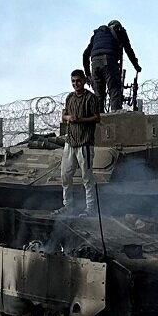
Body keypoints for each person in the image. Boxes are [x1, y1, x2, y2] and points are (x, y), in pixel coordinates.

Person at [58, 69, 102, 216]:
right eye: (73, 81)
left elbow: (96, 118)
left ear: (84, 81)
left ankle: (90, 208)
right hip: (70, 141)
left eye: (78, 81)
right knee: (65, 175)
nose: (75, 84)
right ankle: (67, 206)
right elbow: (64, 115)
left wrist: (80, 120)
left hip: (85, 142)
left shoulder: (91, 98)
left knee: (87, 178)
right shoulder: (70, 97)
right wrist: (69, 118)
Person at [82, 19, 141, 112]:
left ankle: (98, 122)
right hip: (108, 60)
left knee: (98, 96)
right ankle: (115, 120)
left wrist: (88, 75)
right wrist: (136, 66)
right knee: (114, 91)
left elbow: (85, 55)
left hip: (94, 63)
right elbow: (129, 50)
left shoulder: (98, 34)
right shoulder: (120, 31)